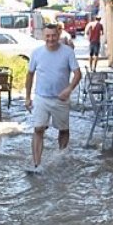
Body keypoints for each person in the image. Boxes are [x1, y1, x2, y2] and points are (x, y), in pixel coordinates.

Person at [25, 24, 82, 173]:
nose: (51, 39)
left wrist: (69, 89)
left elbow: (78, 74)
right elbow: (30, 75)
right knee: (38, 129)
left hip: (60, 99)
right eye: (48, 36)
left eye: (53, 35)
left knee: (63, 129)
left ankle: (61, 157)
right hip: (41, 98)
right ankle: (37, 165)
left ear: (58, 35)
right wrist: (27, 97)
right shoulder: (37, 53)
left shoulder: (67, 52)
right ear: (43, 36)